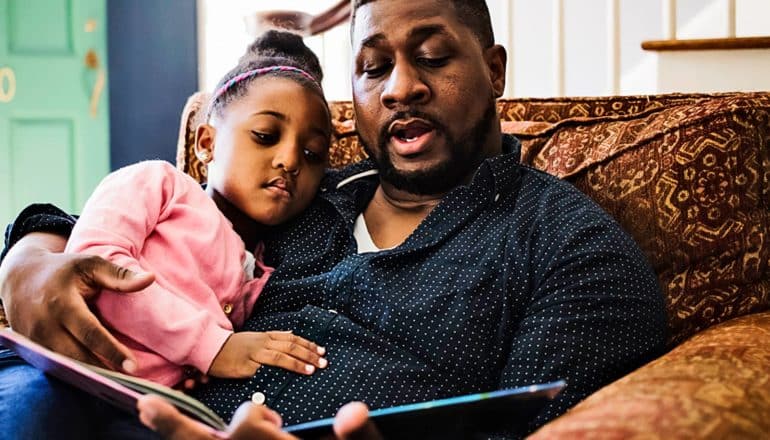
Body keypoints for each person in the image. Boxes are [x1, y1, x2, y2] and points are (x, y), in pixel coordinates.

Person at [0, 0, 668, 438]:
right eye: (374, 68)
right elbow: (132, 218)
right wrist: (28, 261)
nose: (400, 86)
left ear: (494, 71)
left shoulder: (570, 248)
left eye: (433, 56)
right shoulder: (309, 195)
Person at [61, 30, 332, 388]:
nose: (290, 160)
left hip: (137, 408)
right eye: (266, 135)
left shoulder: (263, 273)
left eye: (312, 153)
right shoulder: (158, 184)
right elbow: (94, 267)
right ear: (207, 144)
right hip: (55, 376)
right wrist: (212, 348)